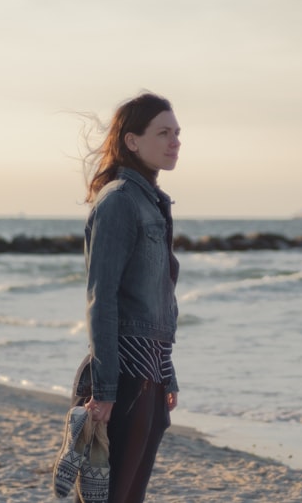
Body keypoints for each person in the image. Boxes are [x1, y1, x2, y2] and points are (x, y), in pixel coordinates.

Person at [78, 92, 181, 503]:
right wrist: (104, 389)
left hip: (150, 373)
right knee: (110, 497)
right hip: (124, 374)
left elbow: (157, 301)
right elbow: (101, 299)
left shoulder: (151, 203)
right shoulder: (120, 200)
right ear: (132, 141)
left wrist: (167, 371)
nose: (175, 142)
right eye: (163, 133)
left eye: (177, 133)